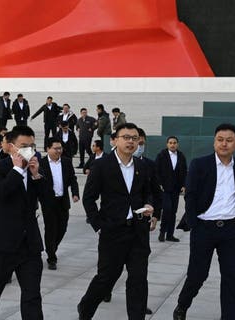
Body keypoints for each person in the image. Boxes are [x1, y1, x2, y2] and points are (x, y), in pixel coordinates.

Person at [77, 123, 157, 320]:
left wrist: (150, 207)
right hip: (113, 231)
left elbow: (150, 192)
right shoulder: (102, 165)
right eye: (126, 137)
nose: (131, 141)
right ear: (115, 140)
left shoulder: (142, 165)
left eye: (134, 138)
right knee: (107, 278)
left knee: (138, 279)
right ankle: (85, 309)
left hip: (138, 231)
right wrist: (98, 225)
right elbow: (89, 198)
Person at [173, 123, 235, 320]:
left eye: (229, 140)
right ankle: (182, 306)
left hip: (231, 230)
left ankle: (230, 315)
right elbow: (190, 195)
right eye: (220, 140)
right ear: (214, 141)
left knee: (232, 276)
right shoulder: (200, 164)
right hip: (204, 228)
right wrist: (194, 223)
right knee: (198, 274)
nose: (224, 144)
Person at [0, 125, 45, 319]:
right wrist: (17, 169)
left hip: (29, 243)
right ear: (12, 146)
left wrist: (37, 175)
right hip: (2, 243)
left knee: (32, 295)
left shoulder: (36, 166)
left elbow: (48, 199)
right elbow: (0, 194)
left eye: (32, 146)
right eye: (24, 145)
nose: (28, 150)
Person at [38, 138, 79, 270]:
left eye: (60, 148)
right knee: (51, 229)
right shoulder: (41, 163)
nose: (58, 151)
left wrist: (75, 193)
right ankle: (51, 257)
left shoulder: (66, 162)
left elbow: (73, 179)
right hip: (48, 202)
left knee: (62, 228)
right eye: (55, 148)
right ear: (47, 149)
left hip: (63, 200)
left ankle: (52, 248)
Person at [155, 136, 188, 242]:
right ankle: (162, 232)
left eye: (174, 143)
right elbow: (156, 170)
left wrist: (184, 185)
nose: (172, 144)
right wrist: (159, 183)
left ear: (177, 144)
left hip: (176, 188)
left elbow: (184, 172)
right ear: (167, 144)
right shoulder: (161, 155)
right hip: (164, 188)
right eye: (170, 142)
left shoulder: (181, 156)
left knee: (173, 212)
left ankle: (170, 235)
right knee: (167, 210)